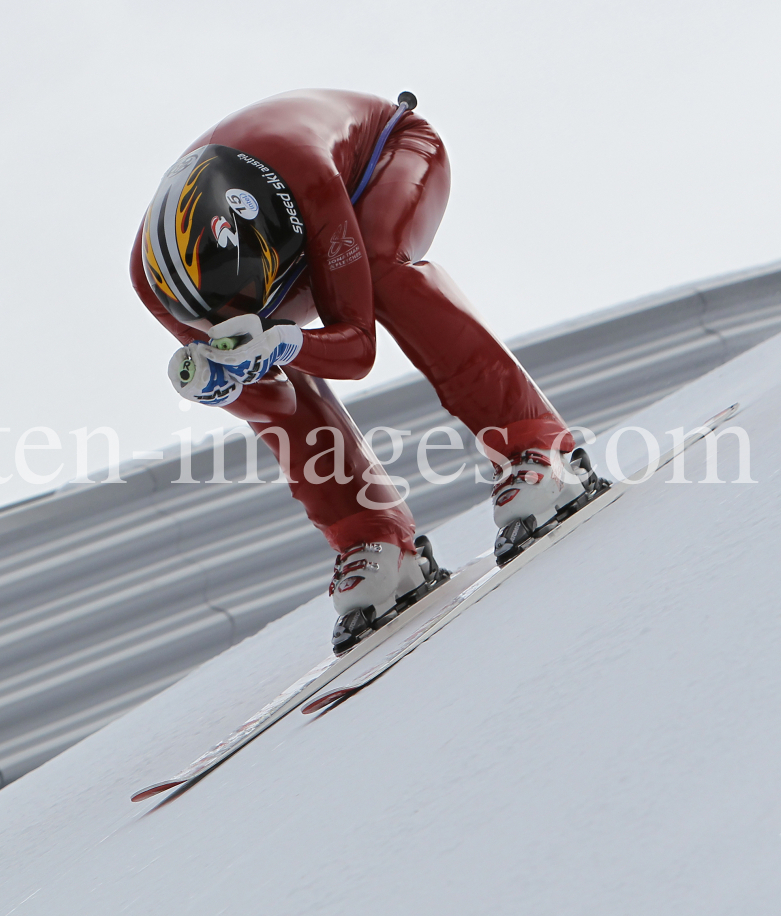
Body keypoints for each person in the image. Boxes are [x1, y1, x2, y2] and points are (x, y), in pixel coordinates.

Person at [130, 89, 603, 652]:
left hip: (381, 159)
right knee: (252, 381)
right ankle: (373, 536)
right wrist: (223, 376)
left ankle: (538, 445)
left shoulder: (304, 175)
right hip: (292, 227)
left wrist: (282, 342)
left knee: (381, 268)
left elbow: (357, 349)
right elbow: (245, 377)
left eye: (249, 301)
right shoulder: (152, 280)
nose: (251, 317)